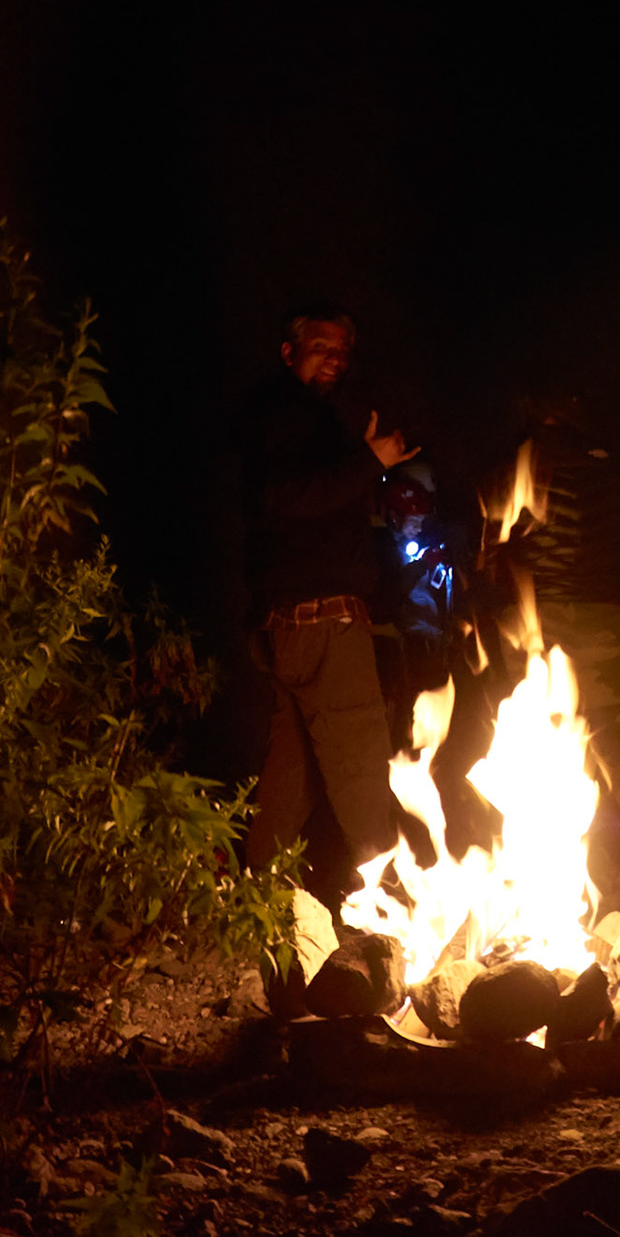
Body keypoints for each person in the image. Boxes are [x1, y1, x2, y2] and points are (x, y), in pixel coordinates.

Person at [238, 304, 432, 920]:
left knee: (289, 775)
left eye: (344, 350)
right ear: (288, 351)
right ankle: (394, 920)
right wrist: (368, 461)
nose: (336, 359)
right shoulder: (284, 415)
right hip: (321, 621)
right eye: (322, 346)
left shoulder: (299, 420)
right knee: (357, 767)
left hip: (289, 624)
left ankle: (251, 910)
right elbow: (287, 499)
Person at [486, 388, 620, 908]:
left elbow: (494, 545)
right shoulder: (607, 469)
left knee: (537, 746)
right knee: (613, 747)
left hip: (538, 619)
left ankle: (543, 883)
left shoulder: (521, 463)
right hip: (601, 615)